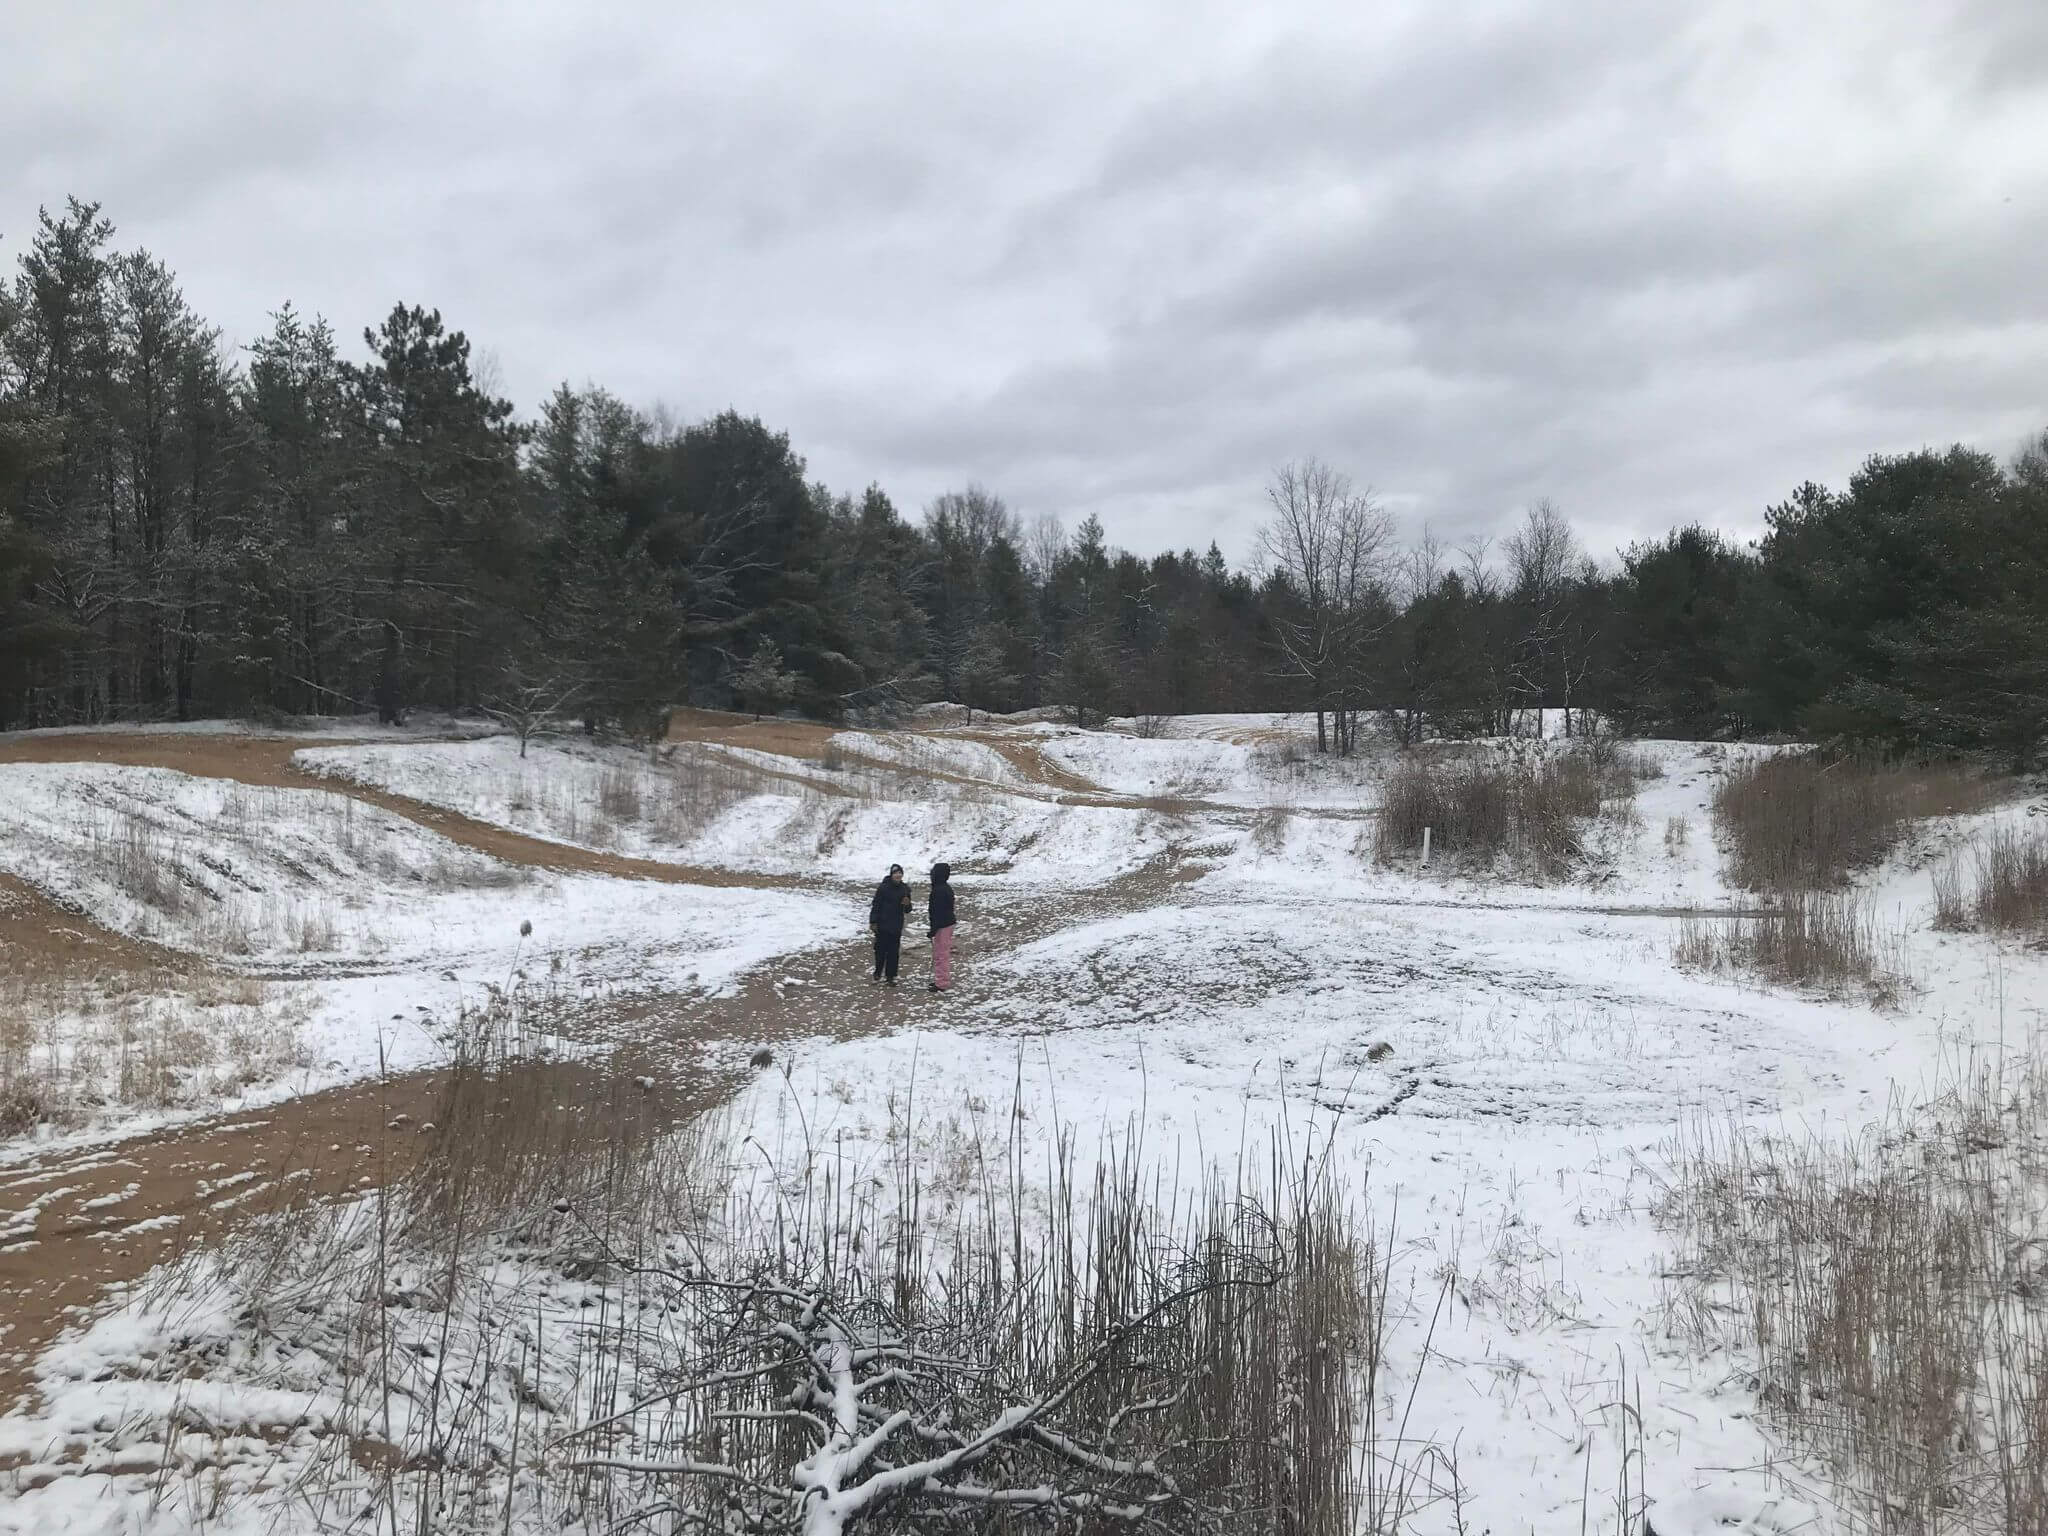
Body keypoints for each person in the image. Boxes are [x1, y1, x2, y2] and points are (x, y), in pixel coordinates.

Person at [868, 863, 911, 984]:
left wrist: (907, 904)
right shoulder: (883, 888)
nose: (898, 875)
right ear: (891, 875)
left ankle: (890, 976)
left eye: (900, 873)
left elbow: (907, 910)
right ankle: (877, 973)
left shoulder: (905, 889)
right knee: (880, 950)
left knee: (893, 952)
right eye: (896, 873)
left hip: (896, 925)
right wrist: (873, 921)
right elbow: (876, 905)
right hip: (883, 924)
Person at [927, 862, 956, 993]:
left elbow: (938, 912)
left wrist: (933, 929)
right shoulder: (944, 888)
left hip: (943, 925)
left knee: (941, 954)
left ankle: (942, 983)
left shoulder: (939, 890)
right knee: (940, 953)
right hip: (945, 924)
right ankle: (941, 980)